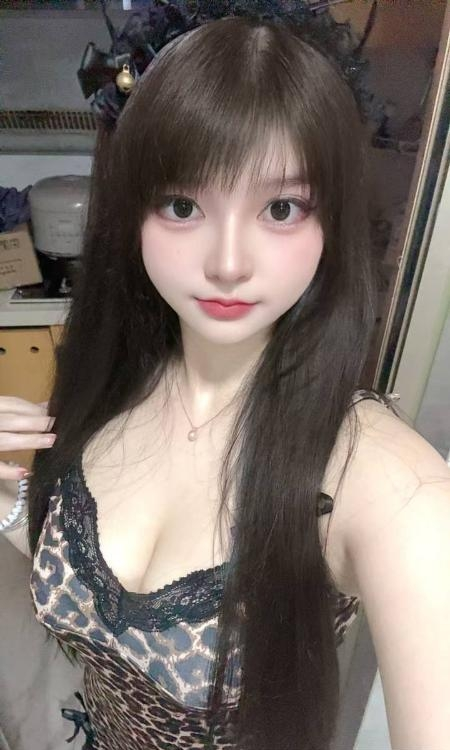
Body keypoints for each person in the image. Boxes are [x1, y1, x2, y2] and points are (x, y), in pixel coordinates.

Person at [1, 13, 449, 750]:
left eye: (280, 208)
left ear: (331, 221)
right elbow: (93, 595)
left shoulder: (389, 487)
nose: (228, 263)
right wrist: (11, 504)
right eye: (183, 207)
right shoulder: (115, 379)